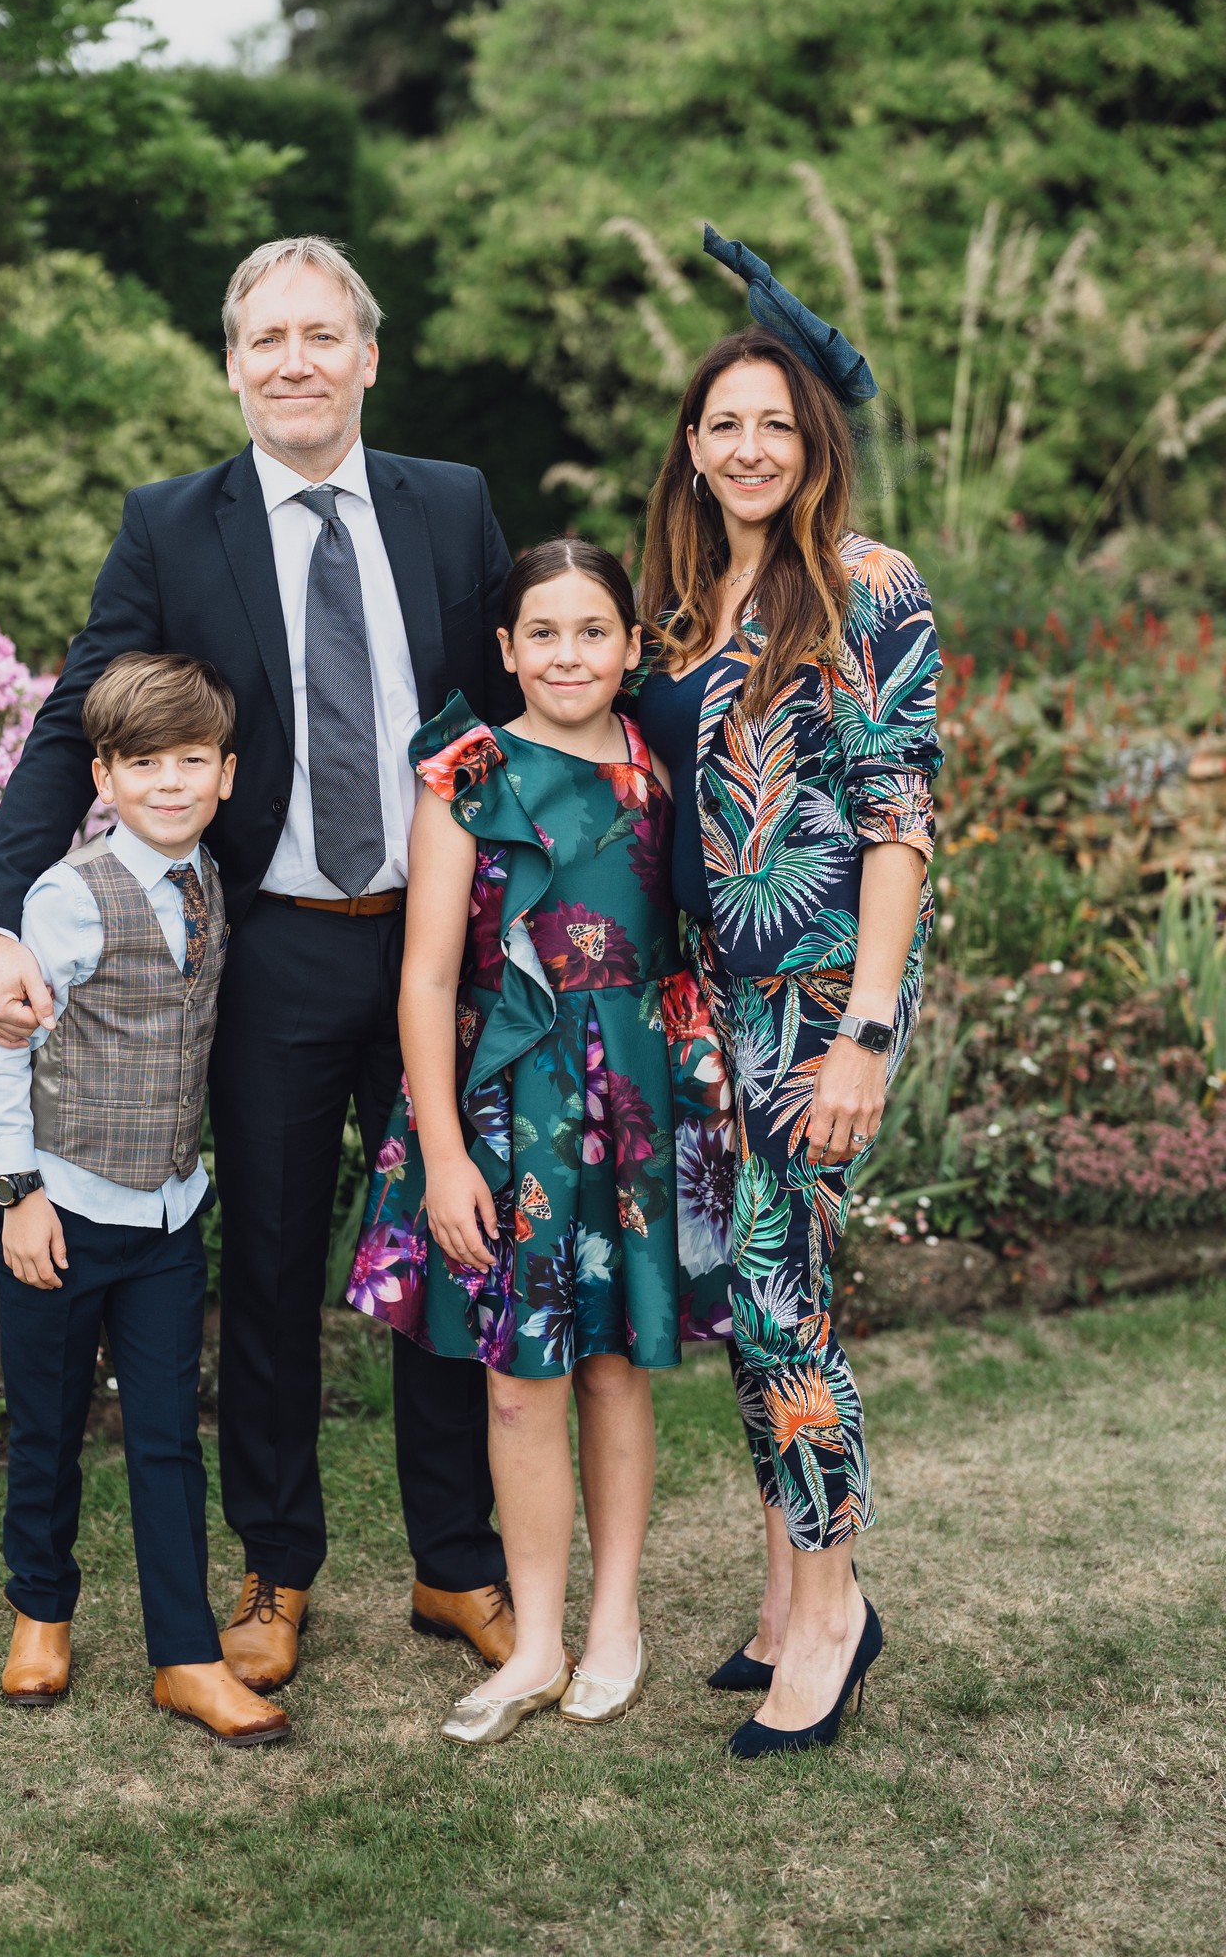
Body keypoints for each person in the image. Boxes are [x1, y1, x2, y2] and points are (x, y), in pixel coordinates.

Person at [0, 236, 518, 1697]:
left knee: (451, 1253)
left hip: (437, 943)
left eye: (322, 336)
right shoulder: (171, 526)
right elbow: (73, 719)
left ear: (368, 357)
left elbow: (535, 694)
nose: (295, 361)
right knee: (267, 1271)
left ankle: (457, 1565)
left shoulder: (451, 508)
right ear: (231, 362)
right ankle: (279, 1568)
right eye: (266, 338)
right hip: (267, 954)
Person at [635, 225, 943, 1759]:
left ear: (812, 442)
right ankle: (781, 1595)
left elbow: (896, 820)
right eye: (725, 425)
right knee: (744, 1309)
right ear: (692, 451)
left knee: (781, 1304)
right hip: (708, 1009)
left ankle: (833, 1615)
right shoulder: (682, 607)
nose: (751, 447)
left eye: (778, 423)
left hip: (819, 1000)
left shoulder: (867, 585)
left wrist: (869, 1034)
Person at [346, 541, 733, 1746]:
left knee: (615, 1364)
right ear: (507, 649)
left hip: (635, 1099)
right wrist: (448, 1154)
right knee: (519, 1383)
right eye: (544, 634)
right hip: (508, 1105)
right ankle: (537, 1641)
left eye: (593, 632)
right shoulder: (468, 770)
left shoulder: (658, 762)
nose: (570, 654)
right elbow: (421, 981)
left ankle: (614, 1620)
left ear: (629, 648)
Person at [0, 651, 290, 1745]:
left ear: (226, 773)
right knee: (47, 1425)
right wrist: (17, 1194)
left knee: (166, 1437)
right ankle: (38, 1612)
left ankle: (185, 1656)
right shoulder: (66, 897)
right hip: (61, 1211)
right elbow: (1, 1047)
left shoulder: (208, 877)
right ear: (100, 777)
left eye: (190, 761)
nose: (168, 783)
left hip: (166, 1216)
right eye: (143, 763)